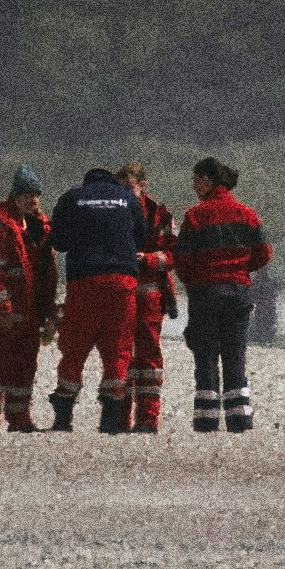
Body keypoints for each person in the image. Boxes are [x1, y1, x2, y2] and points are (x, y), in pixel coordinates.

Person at [174, 155, 272, 434]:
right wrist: (241, 270)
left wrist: (195, 283)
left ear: (207, 180)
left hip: (206, 293)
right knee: (235, 355)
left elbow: (181, 260)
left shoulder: (194, 216)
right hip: (238, 291)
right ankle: (239, 420)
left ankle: (206, 421)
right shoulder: (247, 213)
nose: (193, 186)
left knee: (205, 355)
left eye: (196, 180)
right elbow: (264, 254)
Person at [47, 163, 146, 432]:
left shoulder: (71, 197)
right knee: (118, 347)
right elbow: (142, 238)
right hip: (122, 281)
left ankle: (64, 417)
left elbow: (59, 242)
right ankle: (111, 420)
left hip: (84, 280)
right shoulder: (127, 198)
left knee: (75, 346)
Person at [0, 166, 57, 432]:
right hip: (6, 312)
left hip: (30, 312)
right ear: (15, 196)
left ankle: (19, 417)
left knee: (26, 365)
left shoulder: (37, 227)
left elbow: (45, 273)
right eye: (27, 195)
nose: (33, 200)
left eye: (36, 195)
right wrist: (2, 307)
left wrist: (49, 311)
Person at [118, 160, 177, 434]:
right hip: (120, 294)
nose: (127, 194)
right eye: (122, 189)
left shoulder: (159, 214)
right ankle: (119, 418)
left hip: (151, 295)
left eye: (131, 188)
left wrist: (150, 259)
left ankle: (148, 419)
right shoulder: (112, 214)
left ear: (143, 186)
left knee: (149, 358)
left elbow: (175, 254)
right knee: (119, 357)